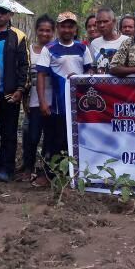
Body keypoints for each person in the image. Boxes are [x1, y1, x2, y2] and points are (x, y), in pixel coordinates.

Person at [37, 12, 92, 180]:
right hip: (59, 104)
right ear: (58, 28)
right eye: (63, 26)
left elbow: (91, 71)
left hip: (80, 104)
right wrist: (43, 102)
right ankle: (55, 175)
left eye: (70, 26)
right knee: (57, 139)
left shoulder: (82, 48)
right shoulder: (49, 49)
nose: (67, 29)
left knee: (79, 139)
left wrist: (81, 78)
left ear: (75, 28)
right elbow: (41, 75)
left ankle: (78, 174)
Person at [0, 4, 28, 182]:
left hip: (9, 92)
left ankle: (6, 168)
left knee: (9, 133)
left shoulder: (18, 35)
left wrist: (20, 89)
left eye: (3, 12)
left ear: (10, 14)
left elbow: (24, 64)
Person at [21, 15, 54, 183]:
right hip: (34, 102)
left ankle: (45, 171)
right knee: (32, 137)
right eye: (41, 30)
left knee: (50, 138)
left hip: (53, 103)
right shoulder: (29, 51)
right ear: (36, 31)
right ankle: (28, 167)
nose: (45, 33)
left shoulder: (56, 50)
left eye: (48, 30)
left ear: (53, 32)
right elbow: (25, 77)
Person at [89, 7, 127, 74]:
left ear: (114, 22)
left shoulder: (126, 41)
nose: (102, 25)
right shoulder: (94, 43)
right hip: (100, 84)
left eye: (105, 21)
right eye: (99, 22)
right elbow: (93, 67)